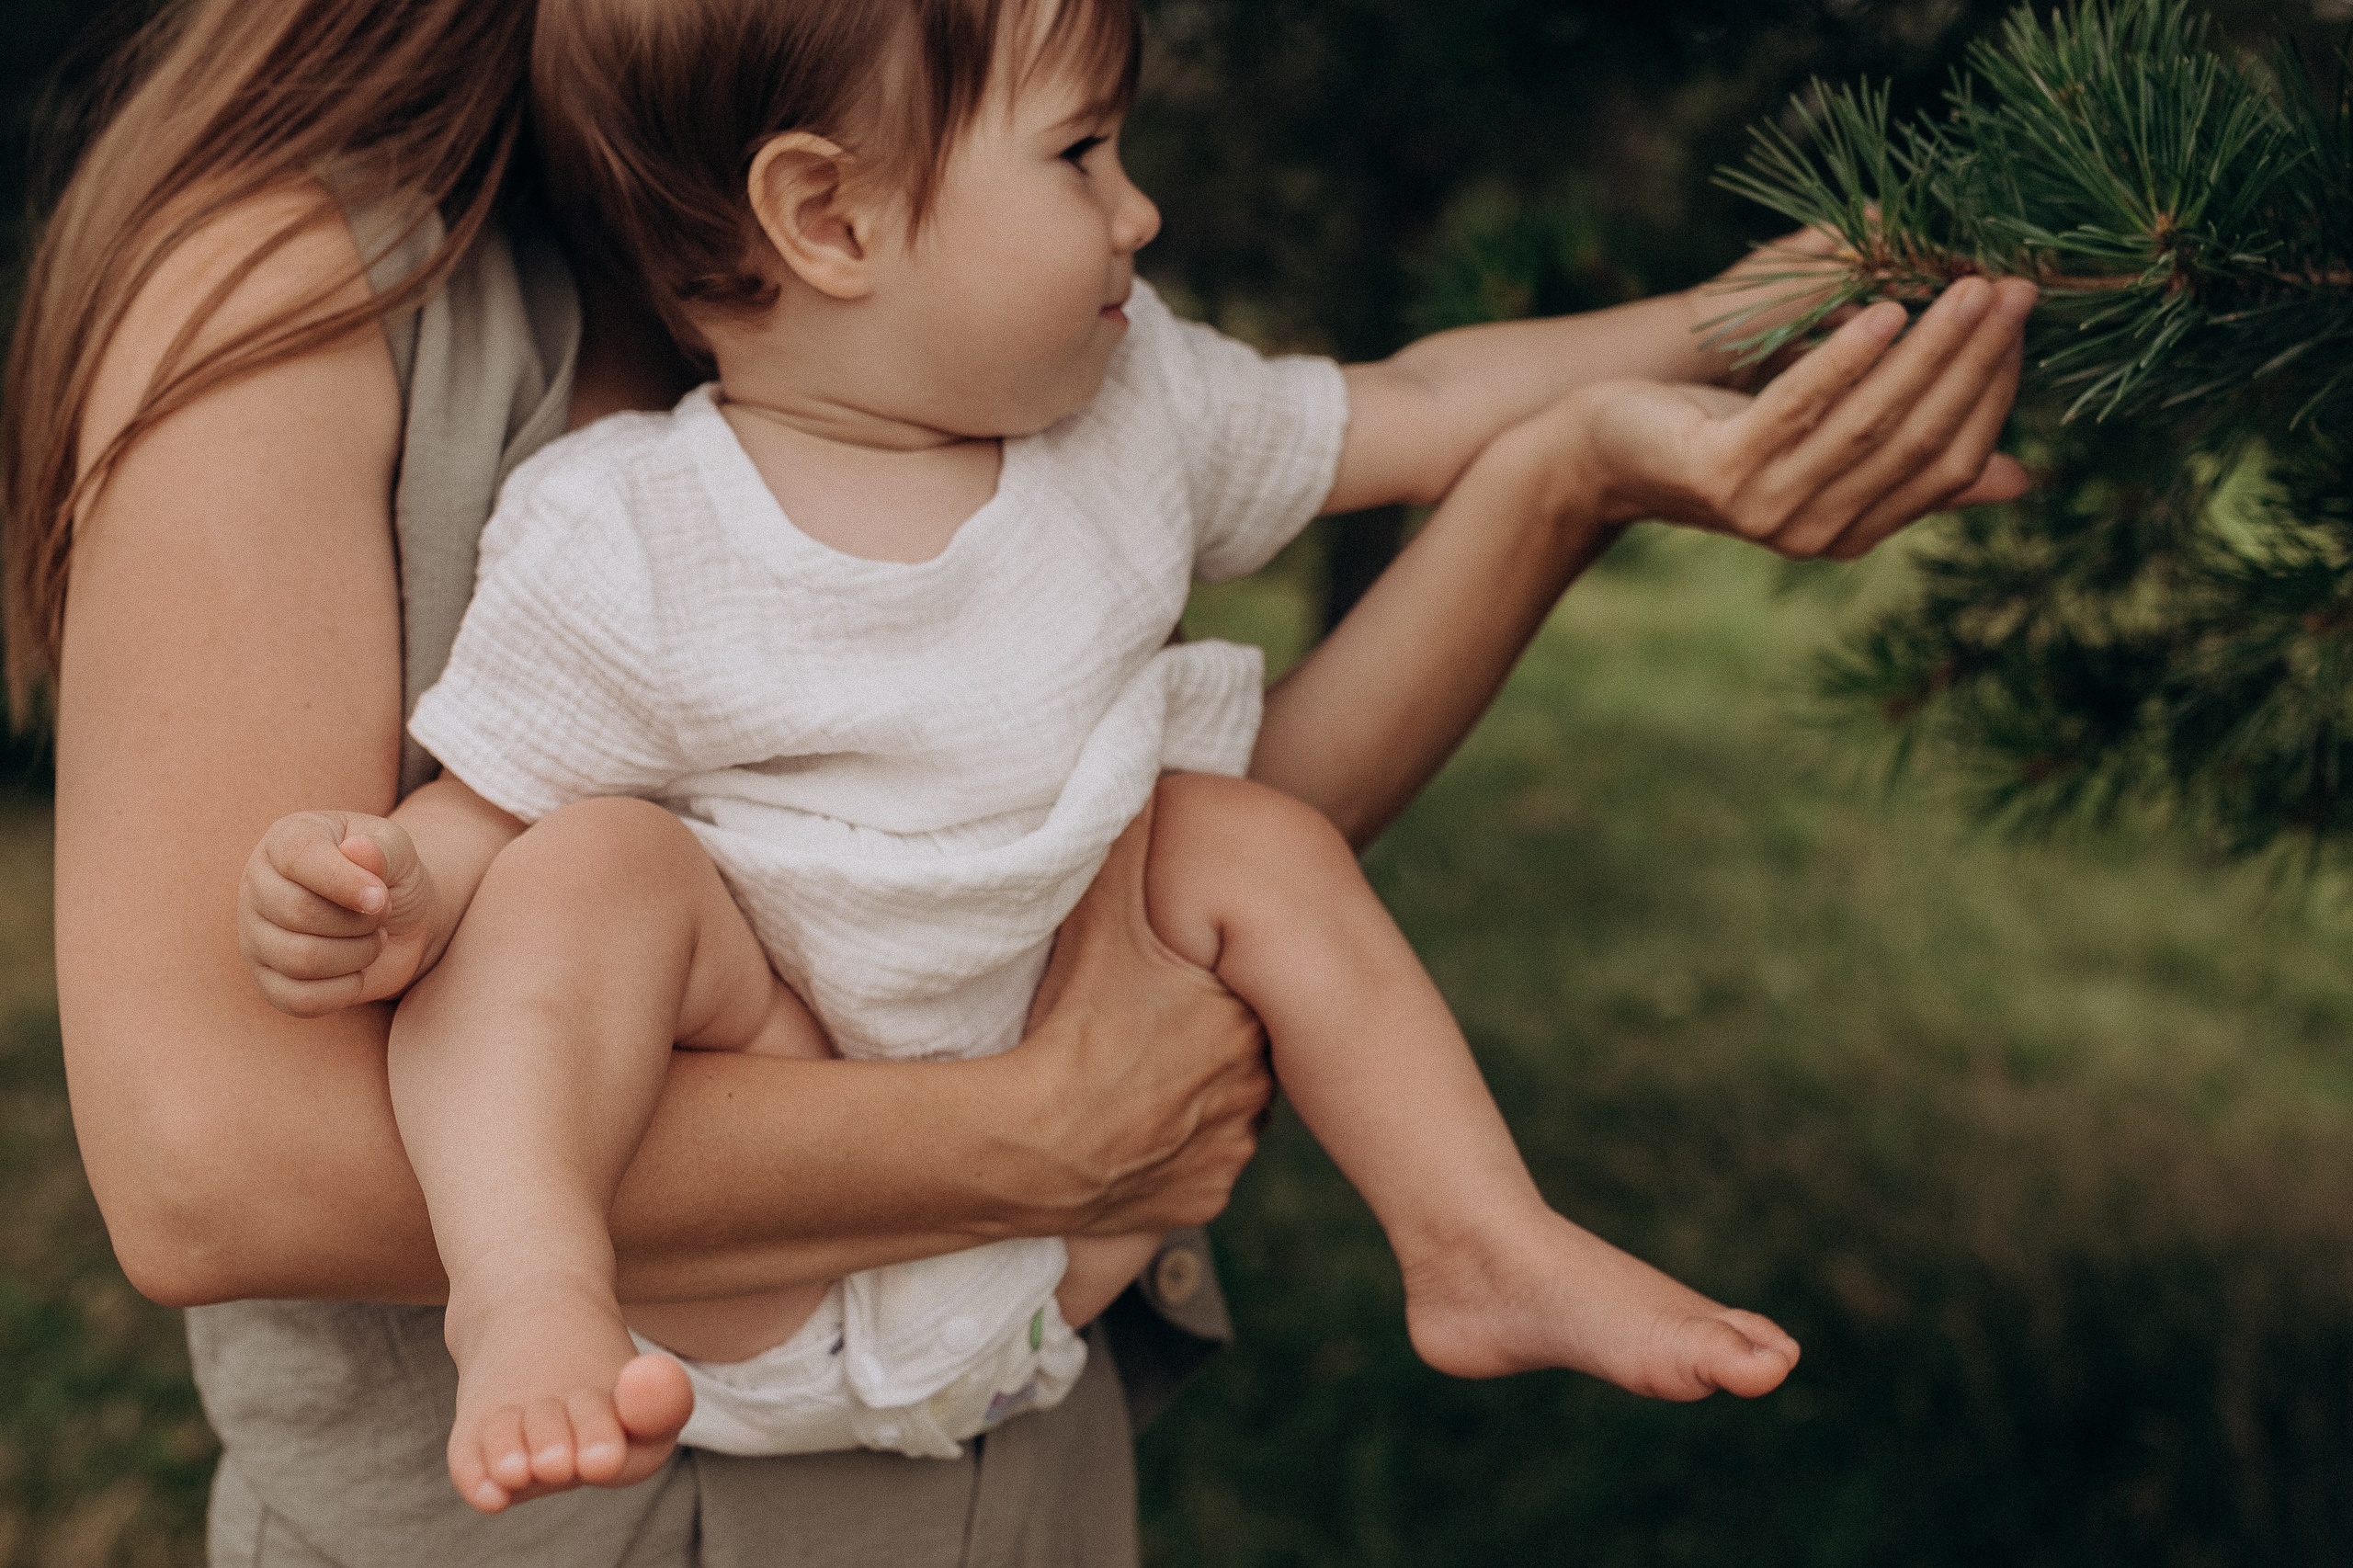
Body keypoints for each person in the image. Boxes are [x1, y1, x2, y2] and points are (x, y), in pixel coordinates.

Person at [0, 0, 2034, 1561]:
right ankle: (535, 1294)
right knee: (580, 875)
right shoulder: (456, 387)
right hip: (600, 1482)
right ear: (820, 213)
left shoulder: (1068, 372)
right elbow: (230, 1145)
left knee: (1225, 827)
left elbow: (1217, 797)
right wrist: (1025, 1132)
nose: (1134, 208)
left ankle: (1479, 1232)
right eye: (1087, 153)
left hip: (1012, 1453)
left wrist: (1649, 397)